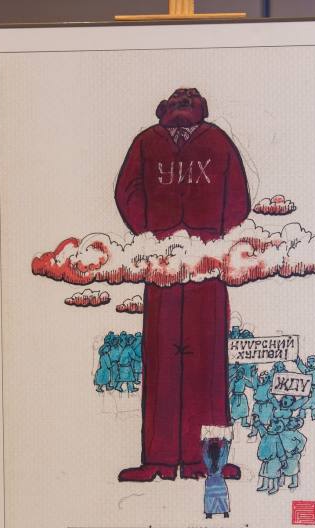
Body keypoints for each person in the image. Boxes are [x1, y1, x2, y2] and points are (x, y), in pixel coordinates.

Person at [115, 88, 250, 481]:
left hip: (206, 264)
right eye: (176, 104)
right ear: (163, 110)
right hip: (162, 264)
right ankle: (157, 460)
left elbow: (238, 196)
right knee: (161, 361)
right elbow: (127, 191)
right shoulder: (145, 142)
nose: (181, 109)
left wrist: (213, 235)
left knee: (208, 363)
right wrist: (151, 231)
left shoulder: (217, 141)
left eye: (188, 104)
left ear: (200, 110)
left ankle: (207, 461)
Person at [202, 438, 231, 518]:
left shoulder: (207, 460)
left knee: (209, 499)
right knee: (223, 498)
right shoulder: (221, 461)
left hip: (210, 482)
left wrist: (205, 442)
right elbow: (225, 453)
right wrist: (225, 442)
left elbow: (204, 452)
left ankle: (209, 514)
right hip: (220, 482)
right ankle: (225, 513)